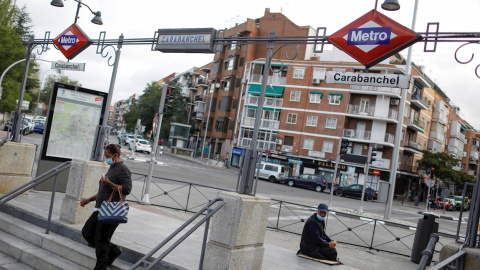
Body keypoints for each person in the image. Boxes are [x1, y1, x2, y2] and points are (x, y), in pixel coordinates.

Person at [80, 144, 132, 270]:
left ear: (115, 155)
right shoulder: (112, 167)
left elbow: (126, 189)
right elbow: (104, 191)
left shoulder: (123, 169)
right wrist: (89, 199)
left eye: (108, 156)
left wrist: (109, 183)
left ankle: (101, 267)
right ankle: (113, 250)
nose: (106, 158)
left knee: (101, 240)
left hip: (110, 210)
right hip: (100, 208)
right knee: (87, 232)